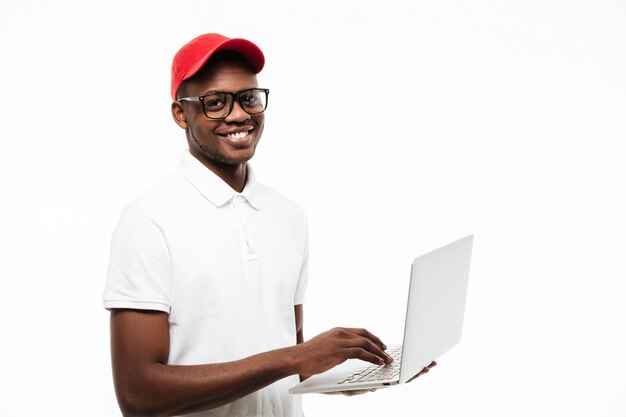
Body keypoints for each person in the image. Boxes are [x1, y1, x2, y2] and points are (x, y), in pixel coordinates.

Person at [103, 33, 434, 417]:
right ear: (181, 114)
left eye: (248, 98)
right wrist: (296, 357)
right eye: (215, 103)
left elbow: (290, 360)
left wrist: (357, 373)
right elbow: (138, 395)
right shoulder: (149, 219)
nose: (239, 114)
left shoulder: (287, 216)